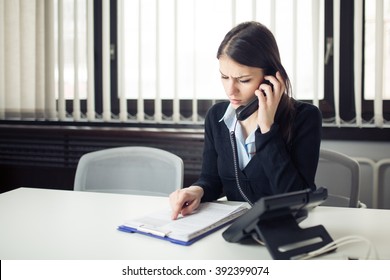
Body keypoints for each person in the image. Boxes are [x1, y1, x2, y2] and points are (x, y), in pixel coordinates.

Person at [169, 21, 322, 220]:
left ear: (270, 78)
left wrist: (267, 128)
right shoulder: (217, 117)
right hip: (233, 231)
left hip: (284, 229)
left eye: (243, 80)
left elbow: (297, 198)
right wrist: (197, 190)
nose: (230, 90)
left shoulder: (305, 117)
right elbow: (211, 179)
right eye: (224, 77)